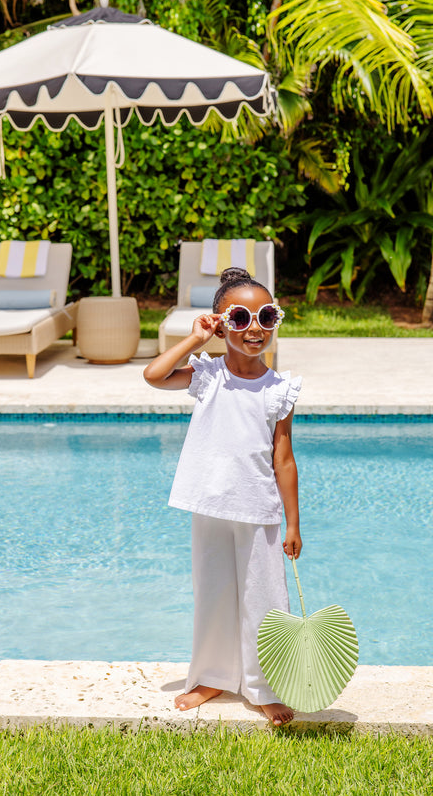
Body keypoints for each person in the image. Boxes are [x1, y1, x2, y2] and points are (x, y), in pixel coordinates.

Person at [143, 267, 302, 726]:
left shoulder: (280, 389)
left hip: (259, 510)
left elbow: (284, 458)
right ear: (220, 324)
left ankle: (265, 687)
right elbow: (154, 375)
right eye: (240, 318)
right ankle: (213, 677)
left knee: (265, 602)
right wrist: (196, 339)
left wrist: (293, 523)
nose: (255, 328)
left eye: (266, 316)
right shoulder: (208, 375)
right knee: (214, 595)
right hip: (211, 504)